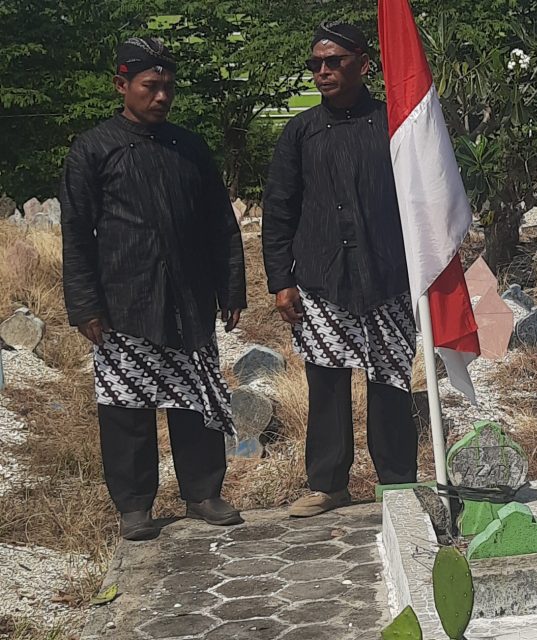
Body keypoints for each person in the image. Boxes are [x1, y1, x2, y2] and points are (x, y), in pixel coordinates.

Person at [61, 37, 247, 541]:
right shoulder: (94, 149)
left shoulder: (188, 147)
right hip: (123, 302)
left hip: (190, 301)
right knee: (125, 408)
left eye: (168, 87)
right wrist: (84, 304)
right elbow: (76, 233)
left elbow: (219, 224)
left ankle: (204, 492)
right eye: (151, 86)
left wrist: (231, 288)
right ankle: (135, 505)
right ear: (123, 85)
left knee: (196, 399)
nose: (162, 96)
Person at [262, 22, 418, 518]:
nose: (323, 71)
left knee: (391, 382)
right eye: (316, 64)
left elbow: (423, 197)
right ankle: (328, 484)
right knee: (326, 384)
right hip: (322, 282)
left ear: (363, 64)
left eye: (333, 62)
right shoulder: (301, 131)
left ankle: (398, 484)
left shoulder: (397, 122)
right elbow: (279, 209)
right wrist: (281, 281)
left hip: (388, 279)